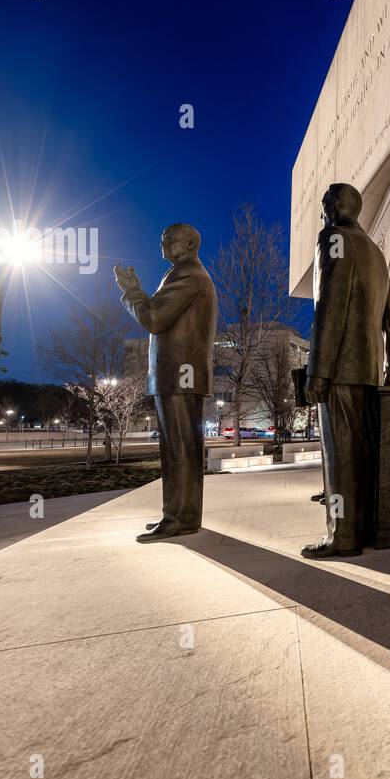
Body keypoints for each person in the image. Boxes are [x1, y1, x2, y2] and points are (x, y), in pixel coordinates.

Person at [302, 183, 390, 558]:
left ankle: (342, 537)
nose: (324, 209)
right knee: (359, 455)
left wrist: (319, 369)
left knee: (339, 457)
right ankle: (359, 530)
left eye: (327, 202)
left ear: (334, 206)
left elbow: (330, 304)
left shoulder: (333, 237)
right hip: (368, 371)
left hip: (341, 370)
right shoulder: (375, 253)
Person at [114, 223, 218, 542]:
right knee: (179, 449)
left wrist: (131, 290)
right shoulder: (188, 274)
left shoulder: (188, 275)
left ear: (189, 245)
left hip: (179, 376)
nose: (163, 244)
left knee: (179, 450)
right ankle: (178, 514)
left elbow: (154, 319)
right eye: (161, 239)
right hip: (179, 376)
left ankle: (180, 518)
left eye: (169, 240)